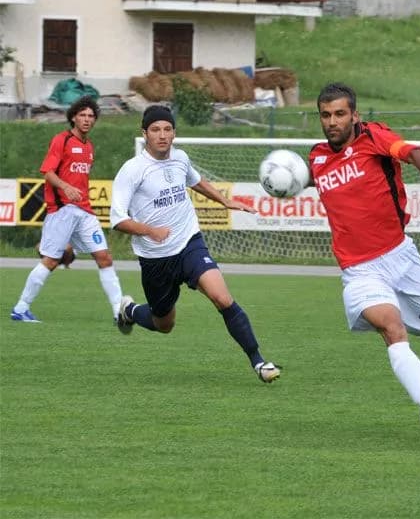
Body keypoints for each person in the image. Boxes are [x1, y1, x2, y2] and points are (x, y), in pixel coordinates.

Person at [309, 82, 420, 437]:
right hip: (359, 271)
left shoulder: (375, 137)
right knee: (392, 327)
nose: (332, 122)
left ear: (355, 115)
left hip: (402, 257)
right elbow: (305, 179)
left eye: (340, 114)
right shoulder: (316, 158)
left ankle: (404, 315)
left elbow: (411, 150)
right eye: (325, 115)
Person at [110, 105, 281, 384]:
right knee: (163, 324)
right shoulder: (132, 170)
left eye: (167, 129)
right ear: (145, 134)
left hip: (189, 242)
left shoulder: (180, 158)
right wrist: (149, 230)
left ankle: (259, 362)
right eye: (155, 130)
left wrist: (224, 200)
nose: (162, 135)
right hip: (156, 259)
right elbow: (116, 218)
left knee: (222, 298)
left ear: (174, 133)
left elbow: (196, 181)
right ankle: (129, 311)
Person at [10, 96, 124, 324]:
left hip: (85, 212)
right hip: (62, 210)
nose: (87, 119)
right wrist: (65, 187)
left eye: (91, 116)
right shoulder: (61, 140)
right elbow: (48, 172)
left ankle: (118, 312)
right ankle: (21, 308)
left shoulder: (89, 146)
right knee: (51, 261)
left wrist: (75, 191)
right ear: (73, 117)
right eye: (82, 115)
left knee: (104, 257)